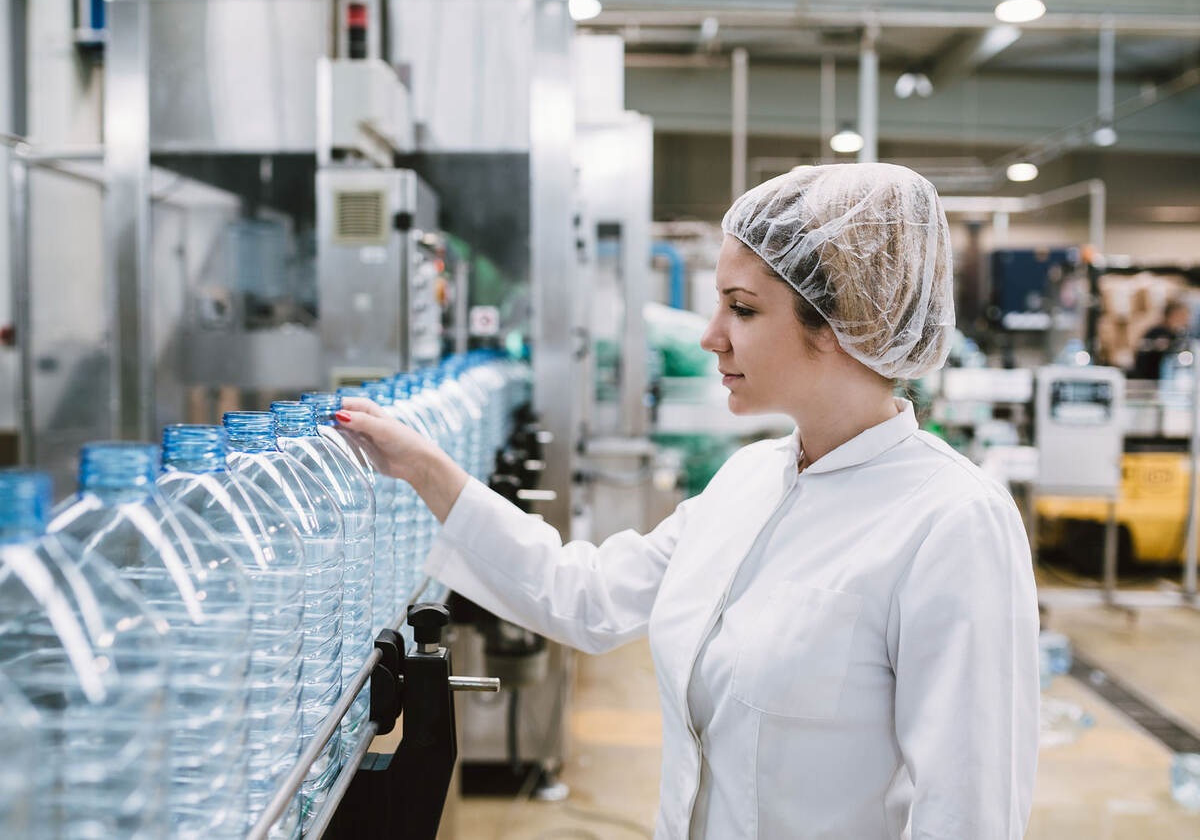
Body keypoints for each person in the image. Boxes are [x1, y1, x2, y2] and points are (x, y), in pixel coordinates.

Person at [336, 163, 1040, 840]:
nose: (709, 336)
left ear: (839, 322)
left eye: (742, 308)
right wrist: (426, 469)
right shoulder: (751, 480)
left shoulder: (951, 522)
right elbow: (587, 596)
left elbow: (967, 814)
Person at [1131, 299, 1192, 380]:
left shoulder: (1179, 334)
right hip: (1150, 380)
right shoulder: (1158, 332)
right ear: (1170, 316)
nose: (1185, 319)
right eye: (1180, 315)